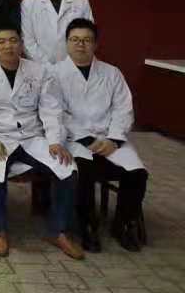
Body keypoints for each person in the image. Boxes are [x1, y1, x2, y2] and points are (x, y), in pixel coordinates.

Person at [0, 24, 83, 259]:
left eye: (13, 40)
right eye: (1, 41)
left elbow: (51, 108)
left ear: (21, 44)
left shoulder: (39, 71)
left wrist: (54, 141)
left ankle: (58, 231)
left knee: (67, 168)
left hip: (32, 136)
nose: (8, 46)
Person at [54, 18, 148, 252]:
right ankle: (87, 226)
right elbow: (57, 112)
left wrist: (114, 139)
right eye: (75, 39)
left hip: (111, 138)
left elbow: (123, 109)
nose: (81, 44)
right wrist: (87, 139)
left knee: (137, 173)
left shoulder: (112, 73)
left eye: (87, 40)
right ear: (66, 43)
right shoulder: (54, 74)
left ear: (96, 44)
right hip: (76, 140)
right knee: (82, 172)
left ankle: (123, 223)